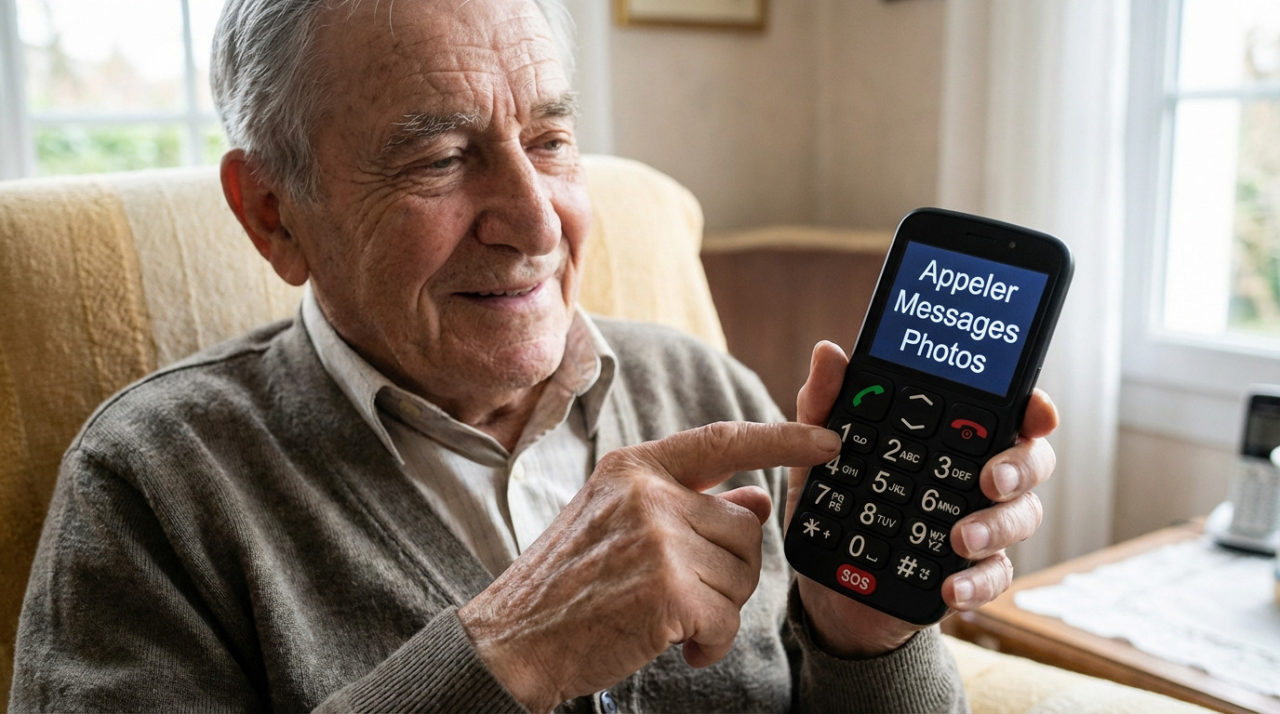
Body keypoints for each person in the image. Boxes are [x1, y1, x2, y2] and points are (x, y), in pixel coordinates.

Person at [9, 0, 1058, 711]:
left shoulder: (703, 390)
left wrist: (863, 642)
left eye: (551, 141)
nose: (533, 219)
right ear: (274, 214)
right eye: (439, 157)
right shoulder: (151, 480)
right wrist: (509, 651)